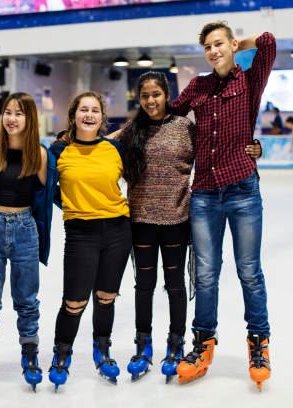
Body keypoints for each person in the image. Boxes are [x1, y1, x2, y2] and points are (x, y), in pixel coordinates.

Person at [114, 71, 262, 383]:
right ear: (138, 99)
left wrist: (252, 147)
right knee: (143, 285)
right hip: (140, 219)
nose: (151, 101)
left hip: (177, 218)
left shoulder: (185, 127)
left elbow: (217, 148)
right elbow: (103, 148)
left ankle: (176, 342)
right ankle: (143, 346)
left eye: (156, 94)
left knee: (175, 285)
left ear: (166, 95)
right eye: (145, 96)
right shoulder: (132, 129)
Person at [171, 21, 275, 390]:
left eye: (219, 44)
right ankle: (202, 344)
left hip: (243, 188)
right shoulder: (197, 86)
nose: (213, 51)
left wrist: (237, 42)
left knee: (249, 270)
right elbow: (166, 117)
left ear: (231, 46)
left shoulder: (248, 79)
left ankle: (258, 343)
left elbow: (267, 41)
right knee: (205, 273)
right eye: (208, 47)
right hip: (204, 193)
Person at [0, 92, 55, 392]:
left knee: (27, 300)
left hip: (25, 230)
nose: (12, 118)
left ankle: (30, 355)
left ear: (30, 118)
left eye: (19, 113)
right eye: (7, 112)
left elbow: (51, 198)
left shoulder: (40, 155)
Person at [47, 92, 132, 389]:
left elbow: (138, 179)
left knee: (106, 297)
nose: (89, 114)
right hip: (81, 233)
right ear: (73, 115)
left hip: (119, 231)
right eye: (84, 109)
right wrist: (70, 204)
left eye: (95, 110)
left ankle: (102, 351)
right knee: (74, 301)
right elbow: (44, 189)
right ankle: (62, 353)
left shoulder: (114, 148)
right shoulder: (59, 151)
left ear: (102, 118)